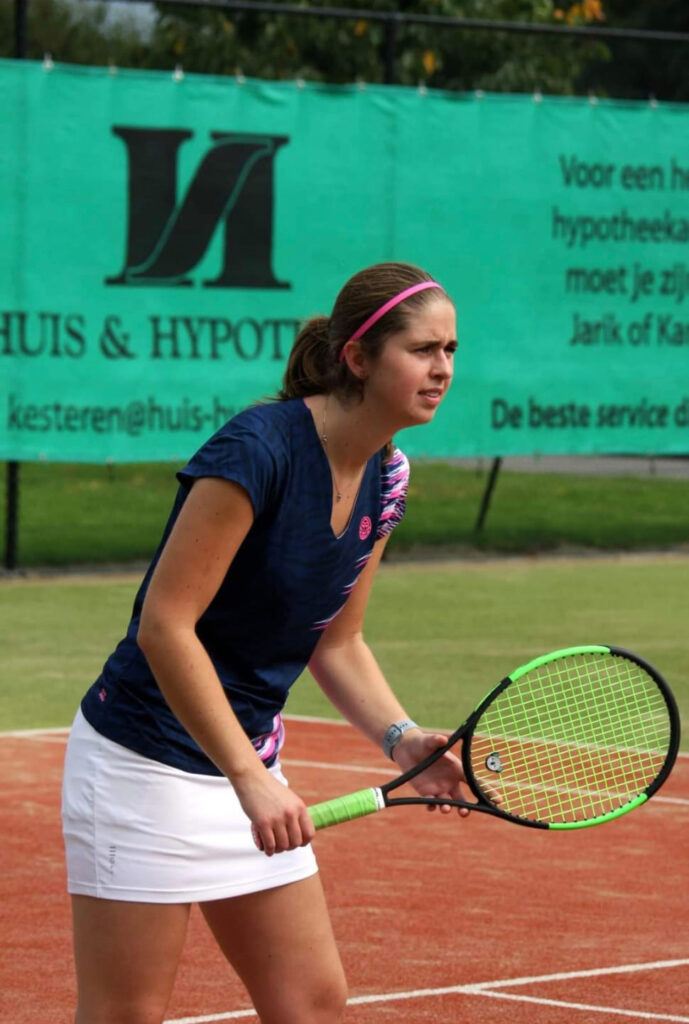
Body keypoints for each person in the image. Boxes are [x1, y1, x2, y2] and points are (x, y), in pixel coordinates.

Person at [61, 260, 465, 1024]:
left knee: (310, 1005)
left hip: (244, 767)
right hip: (141, 767)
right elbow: (163, 624)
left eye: (450, 351)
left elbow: (338, 641)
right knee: (125, 1013)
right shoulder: (259, 448)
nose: (441, 369)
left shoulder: (389, 475)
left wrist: (402, 739)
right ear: (356, 357)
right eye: (422, 349)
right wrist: (249, 777)